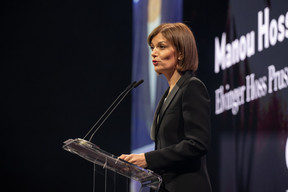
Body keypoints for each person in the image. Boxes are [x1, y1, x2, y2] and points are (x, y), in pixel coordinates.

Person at [119, 22, 212, 192]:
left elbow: (197, 144)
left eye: (161, 47)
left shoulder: (192, 87)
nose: (154, 53)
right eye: (152, 47)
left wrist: (148, 159)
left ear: (181, 53)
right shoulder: (168, 94)